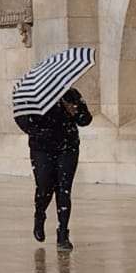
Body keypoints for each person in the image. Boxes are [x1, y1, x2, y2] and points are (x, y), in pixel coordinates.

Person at [18, 86, 90, 250]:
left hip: (67, 147)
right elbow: (23, 120)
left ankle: (63, 232)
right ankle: (40, 214)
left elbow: (85, 120)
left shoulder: (71, 94)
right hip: (42, 148)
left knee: (64, 189)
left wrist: (75, 111)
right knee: (45, 187)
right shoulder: (34, 95)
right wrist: (39, 132)